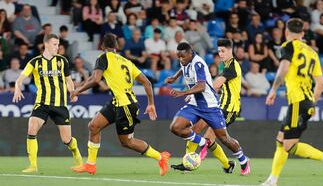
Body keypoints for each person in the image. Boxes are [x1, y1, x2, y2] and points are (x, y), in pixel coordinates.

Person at [70, 34, 170, 176]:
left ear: (102, 47)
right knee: (93, 126)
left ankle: (161, 157)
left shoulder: (103, 57)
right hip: (117, 101)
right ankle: (90, 165)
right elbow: (147, 82)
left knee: (127, 142)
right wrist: (151, 104)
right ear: (116, 47)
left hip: (126, 105)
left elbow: (95, 79)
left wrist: (78, 90)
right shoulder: (127, 61)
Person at [262, 18, 323, 186]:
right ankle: (272, 180)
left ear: (286, 32)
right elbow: (320, 83)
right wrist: (312, 104)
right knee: (281, 140)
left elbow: (283, 69)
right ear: (303, 33)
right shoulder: (312, 53)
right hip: (306, 101)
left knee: (289, 146)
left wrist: (273, 90)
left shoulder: (288, 46)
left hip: (298, 101)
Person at [166, 42, 250, 175]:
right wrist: (176, 77)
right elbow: (184, 67)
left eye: (223, 51)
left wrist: (186, 93)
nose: (220, 54)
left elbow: (209, 86)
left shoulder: (228, 66)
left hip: (220, 107)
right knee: (185, 129)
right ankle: (192, 158)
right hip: (202, 104)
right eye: (219, 51)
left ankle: (242, 160)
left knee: (222, 138)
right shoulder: (187, 60)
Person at [12, 34, 83, 173]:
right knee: (31, 129)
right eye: (55, 44)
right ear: (46, 45)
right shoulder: (35, 62)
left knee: (66, 140)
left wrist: (72, 92)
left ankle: (76, 152)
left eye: (58, 44)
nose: (58, 47)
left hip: (60, 105)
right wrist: (17, 89)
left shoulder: (62, 61)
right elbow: (19, 79)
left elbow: (68, 81)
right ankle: (33, 165)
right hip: (42, 103)